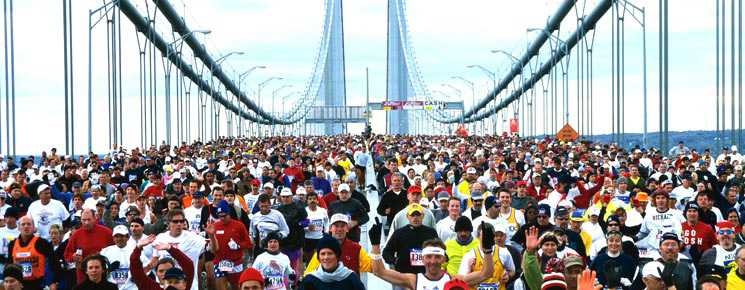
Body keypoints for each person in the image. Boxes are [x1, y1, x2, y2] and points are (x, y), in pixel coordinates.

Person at [369, 217, 495, 290]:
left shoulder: (452, 280)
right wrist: (375, 245)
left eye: (437, 257)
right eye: (429, 257)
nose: (433, 261)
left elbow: (486, 273)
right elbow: (379, 272)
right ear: (423, 259)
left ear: (444, 259)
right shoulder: (414, 280)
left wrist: (488, 250)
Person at [151, 209, 205, 290]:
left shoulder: (194, 238)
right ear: (168, 224)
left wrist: (211, 236)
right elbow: (155, 259)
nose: (179, 224)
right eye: (175, 221)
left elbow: (213, 249)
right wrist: (146, 269)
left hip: (188, 285)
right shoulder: (160, 237)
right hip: (167, 285)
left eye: (181, 221)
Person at [205, 200, 252, 290]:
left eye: (224, 216)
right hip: (220, 262)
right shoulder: (215, 226)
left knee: (236, 287)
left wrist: (238, 246)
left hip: (235, 262)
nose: (222, 218)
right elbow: (212, 246)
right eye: (220, 216)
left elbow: (248, 243)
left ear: (229, 214)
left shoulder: (239, 225)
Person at [383, 203, 439, 276]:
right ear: (407, 216)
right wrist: (395, 261)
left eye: (418, 214)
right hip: (404, 275)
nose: (415, 217)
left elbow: (440, 250)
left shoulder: (431, 232)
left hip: (426, 275)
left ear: (423, 216)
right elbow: (386, 252)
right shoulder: (399, 233)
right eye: (412, 215)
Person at [304, 213, 371, 275]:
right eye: (336, 226)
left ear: (347, 228)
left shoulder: (356, 248)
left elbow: (373, 267)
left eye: (342, 226)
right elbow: (309, 274)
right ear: (330, 228)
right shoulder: (322, 248)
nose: (339, 229)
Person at [8, 215, 63, 289]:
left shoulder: (41, 242)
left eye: (29, 224)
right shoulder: (12, 244)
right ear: (19, 228)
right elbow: (9, 265)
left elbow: (54, 263)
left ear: (33, 227)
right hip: (19, 284)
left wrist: (54, 281)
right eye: (23, 224)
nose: (26, 226)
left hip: (38, 284)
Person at [458, 223, 516, 290]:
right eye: (484, 237)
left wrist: (508, 276)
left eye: (489, 237)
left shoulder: (504, 252)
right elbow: (461, 281)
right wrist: (469, 270)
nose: (487, 239)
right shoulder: (469, 255)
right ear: (478, 237)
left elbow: (512, 271)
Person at [64, 208, 115, 283]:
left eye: (89, 219)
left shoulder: (107, 232)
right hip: (83, 277)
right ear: (80, 220)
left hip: (103, 276)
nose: (86, 222)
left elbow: (115, 250)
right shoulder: (76, 235)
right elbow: (67, 254)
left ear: (95, 218)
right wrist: (73, 257)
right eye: (84, 220)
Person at [129, 234, 195, 290]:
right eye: (169, 282)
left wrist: (170, 248)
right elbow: (136, 273)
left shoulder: (184, 286)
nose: (165, 273)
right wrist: (138, 248)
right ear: (156, 273)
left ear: (184, 284)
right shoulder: (152, 288)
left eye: (176, 282)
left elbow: (189, 265)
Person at [300, 235, 366, 290]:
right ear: (318, 258)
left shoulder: (351, 279)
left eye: (330, 253)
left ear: (337, 256)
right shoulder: (310, 280)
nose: (326, 257)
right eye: (323, 254)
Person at [99, 225, 137, 289]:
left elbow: (145, 267)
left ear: (127, 237)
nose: (119, 239)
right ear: (113, 238)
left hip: (131, 287)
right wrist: (109, 269)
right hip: (112, 287)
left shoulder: (135, 250)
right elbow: (100, 271)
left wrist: (137, 275)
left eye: (122, 236)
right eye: (116, 236)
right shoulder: (105, 251)